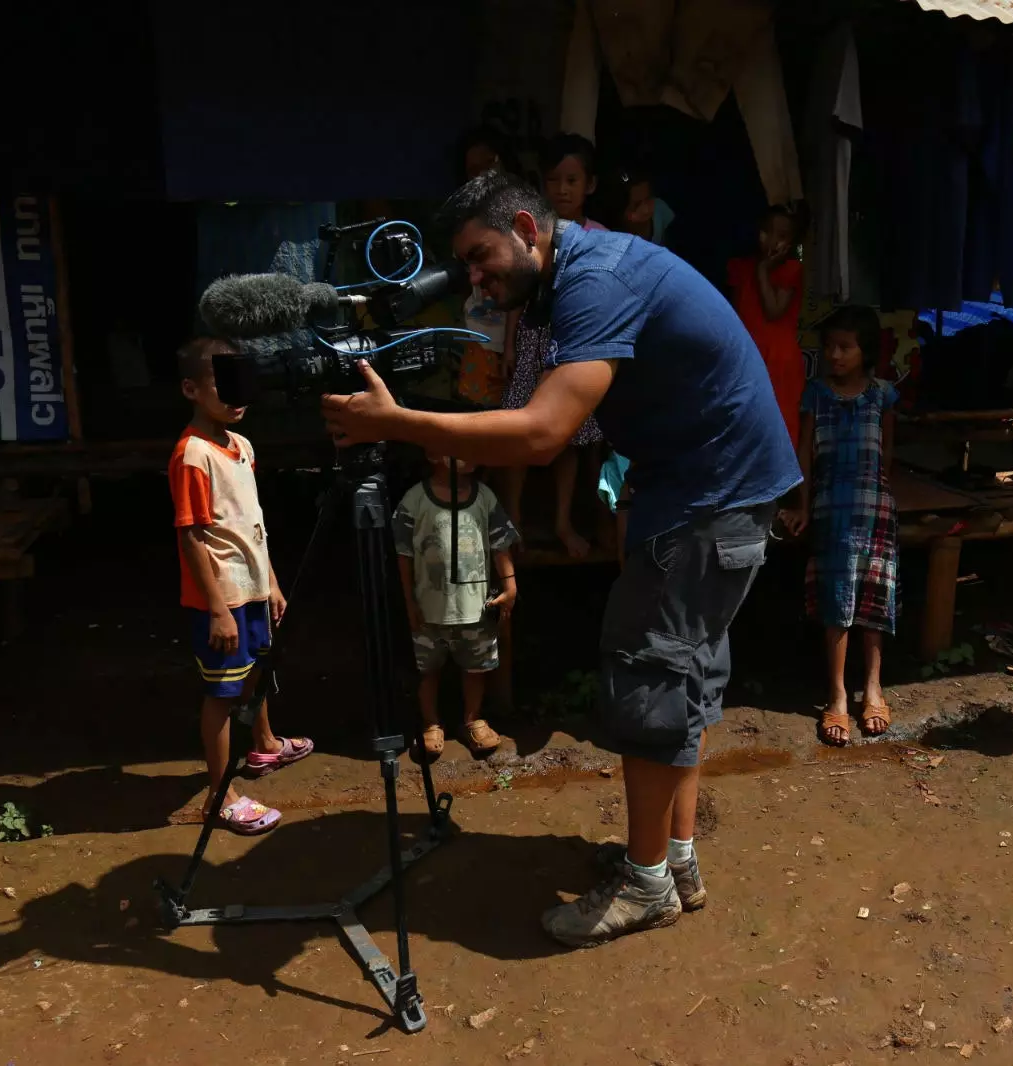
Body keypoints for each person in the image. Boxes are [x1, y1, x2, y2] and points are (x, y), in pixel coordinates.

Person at [321, 170, 801, 948]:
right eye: (464, 266)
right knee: (682, 675)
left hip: (708, 502)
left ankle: (646, 885)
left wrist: (397, 424)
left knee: (649, 675)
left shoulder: (595, 280)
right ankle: (674, 861)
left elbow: (543, 434)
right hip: (711, 493)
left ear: (525, 225)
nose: (474, 277)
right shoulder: (580, 272)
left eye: (481, 257)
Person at [169, 338, 313, 835]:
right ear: (191, 389)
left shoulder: (242, 446)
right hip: (223, 598)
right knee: (223, 694)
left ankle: (265, 745)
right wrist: (218, 610)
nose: (236, 395)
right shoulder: (191, 455)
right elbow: (191, 536)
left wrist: (270, 581)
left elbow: (253, 521)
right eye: (221, 385)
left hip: (252, 587)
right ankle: (220, 794)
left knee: (257, 670)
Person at [780, 306, 899, 747]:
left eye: (844, 347)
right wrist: (803, 506)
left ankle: (873, 688)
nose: (834, 354)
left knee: (874, 600)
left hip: (875, 509)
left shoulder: (883, 395)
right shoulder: (816, 394)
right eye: (829, 346)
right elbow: (805, 453)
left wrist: (885, 497)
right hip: (831, 509)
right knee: (837, 602)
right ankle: (836, 696)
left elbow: (888, 458)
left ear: (865, 351)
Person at [500, 133, 607, 559]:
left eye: (572, 180)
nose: (562, 189)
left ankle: (562, 522)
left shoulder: (599, 236)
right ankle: (513, 521)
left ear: (590, 185)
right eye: (554, 180)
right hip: (531, 340)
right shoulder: (530, 231)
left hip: (574, 347)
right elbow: (514, 293)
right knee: (516, 431)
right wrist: (509, 346)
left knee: (572, 437)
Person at [394, 451, 519, 758]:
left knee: (475, 667)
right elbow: (403, 554)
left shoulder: (484, 497)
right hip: (428, 610)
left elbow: (499, 542)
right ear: (433, 454)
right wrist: (409, 601)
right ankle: (430, 723)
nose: (467, 451)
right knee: (427, 669)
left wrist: (510, 584)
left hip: (476, 609)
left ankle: (473, 719)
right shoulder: (415, 500)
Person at [727, 205, 806, 448]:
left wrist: (762, 270)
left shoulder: (791, 270)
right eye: (767, 232)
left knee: (778, 428)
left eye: (782, 236)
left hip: (779, 361)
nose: (772, 241)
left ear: (792, 243)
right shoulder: (739, 267)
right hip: (747, 355)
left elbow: (773, 311)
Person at [455, 128, 520, 409]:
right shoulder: (465, 221)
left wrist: (510, 346)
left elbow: (519, 288)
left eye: (489, 164)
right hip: (478, 337)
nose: (482, 175)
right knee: (477, 414)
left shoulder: (516, 220)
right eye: (474, 169)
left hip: (510, 341)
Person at [618, 165, 676, 247]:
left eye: (648, 199)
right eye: (637, 205)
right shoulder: (616, 237)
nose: (646, 210)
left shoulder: (660, 209)